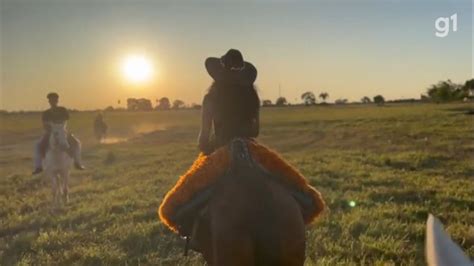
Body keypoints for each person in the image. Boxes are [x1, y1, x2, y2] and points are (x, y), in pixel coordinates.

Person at [198, 49, 259, 154]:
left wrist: (208, 146)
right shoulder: (252, 97)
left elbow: (204, 139)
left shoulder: (211, 98)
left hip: (221, 149)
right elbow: (255, 131)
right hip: (248, 150)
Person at [32, 92, 85, 174]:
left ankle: (77, 162)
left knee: (77, 143)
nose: (53, 101)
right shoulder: (46, 113)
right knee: (38, 145)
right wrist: (50, 130)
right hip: (50, 132)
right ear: (49, 101)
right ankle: (38, 166)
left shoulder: (62, 110)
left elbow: (66, 121)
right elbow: (45, 125)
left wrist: (62, 129)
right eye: (51, 100)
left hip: (62, 131)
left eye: (54, 100)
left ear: (57, 100)